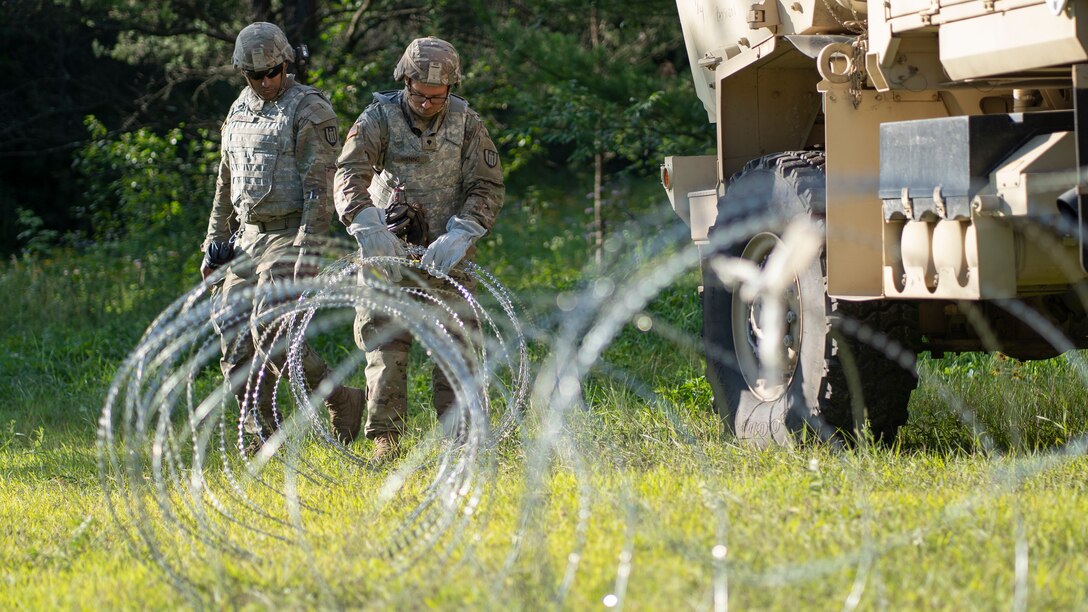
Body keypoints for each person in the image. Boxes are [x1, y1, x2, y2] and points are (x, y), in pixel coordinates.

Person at [334, 36, 505, 461]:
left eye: (437, 96)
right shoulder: (378, 118)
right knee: (385, 345)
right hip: (388, 250)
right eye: (420, 94)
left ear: (451, 88)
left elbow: (487, 184)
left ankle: (463, 437)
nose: (428, 104)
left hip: (447, 255)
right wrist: (365, 224)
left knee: (458, 343)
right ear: (404, 79)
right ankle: (385, 439)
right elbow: (348, 174)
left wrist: (464, 231)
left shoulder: (467, 123)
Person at [201, 22, 363, 451]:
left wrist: (308, 251)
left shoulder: (308, 109)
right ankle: (260, 430)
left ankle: (340, 400)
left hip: (289, 234)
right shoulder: (239, 109)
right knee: (233, 338)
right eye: (256, 76)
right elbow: (225, 182)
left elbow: (320, 186)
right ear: (243, 74)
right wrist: (213, 242)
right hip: (246, 237)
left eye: (273, 71)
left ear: (285, 64)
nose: (266, 81)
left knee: (271, 334)